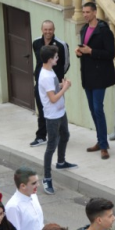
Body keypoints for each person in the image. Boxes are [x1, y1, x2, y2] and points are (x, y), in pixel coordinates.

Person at [76, 1, 115, 160]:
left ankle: (104, 146)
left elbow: (110, 54)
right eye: (83, 12)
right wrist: (80, 52)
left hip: (100, 76)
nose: (85, 15)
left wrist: (91, 51)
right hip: (87, 75)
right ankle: (100, 141)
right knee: (93, 110)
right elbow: (85, 51)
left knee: (98, 109)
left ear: (94, 12)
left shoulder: (104, 31)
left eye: (87, 12)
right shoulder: (84, 29)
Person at [38, 44, 77, 195]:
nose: (57, 58)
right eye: (55, 57)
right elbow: (53, 98)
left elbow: (53, 88)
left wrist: (62, 84)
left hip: (61, 112)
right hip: (52, 116)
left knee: (65, 135)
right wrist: (65, 88)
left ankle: (61, 162)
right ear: (49, 59)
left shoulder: (49, 71)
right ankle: (47, 178)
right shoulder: (46, 76)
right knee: (51, 146)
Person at [31, 20, 70, 148]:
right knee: (42, 110)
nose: (48, 32)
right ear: (42, 30)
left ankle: (60, 135)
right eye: (45, 29)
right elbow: (39, 62)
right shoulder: (36, 43)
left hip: (56, 84)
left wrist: (57, 79)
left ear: (54, 30)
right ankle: (41, 136)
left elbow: (66, 64)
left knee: (57, 110)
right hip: (41, 83)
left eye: (50, 29)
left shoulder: (61, 45)